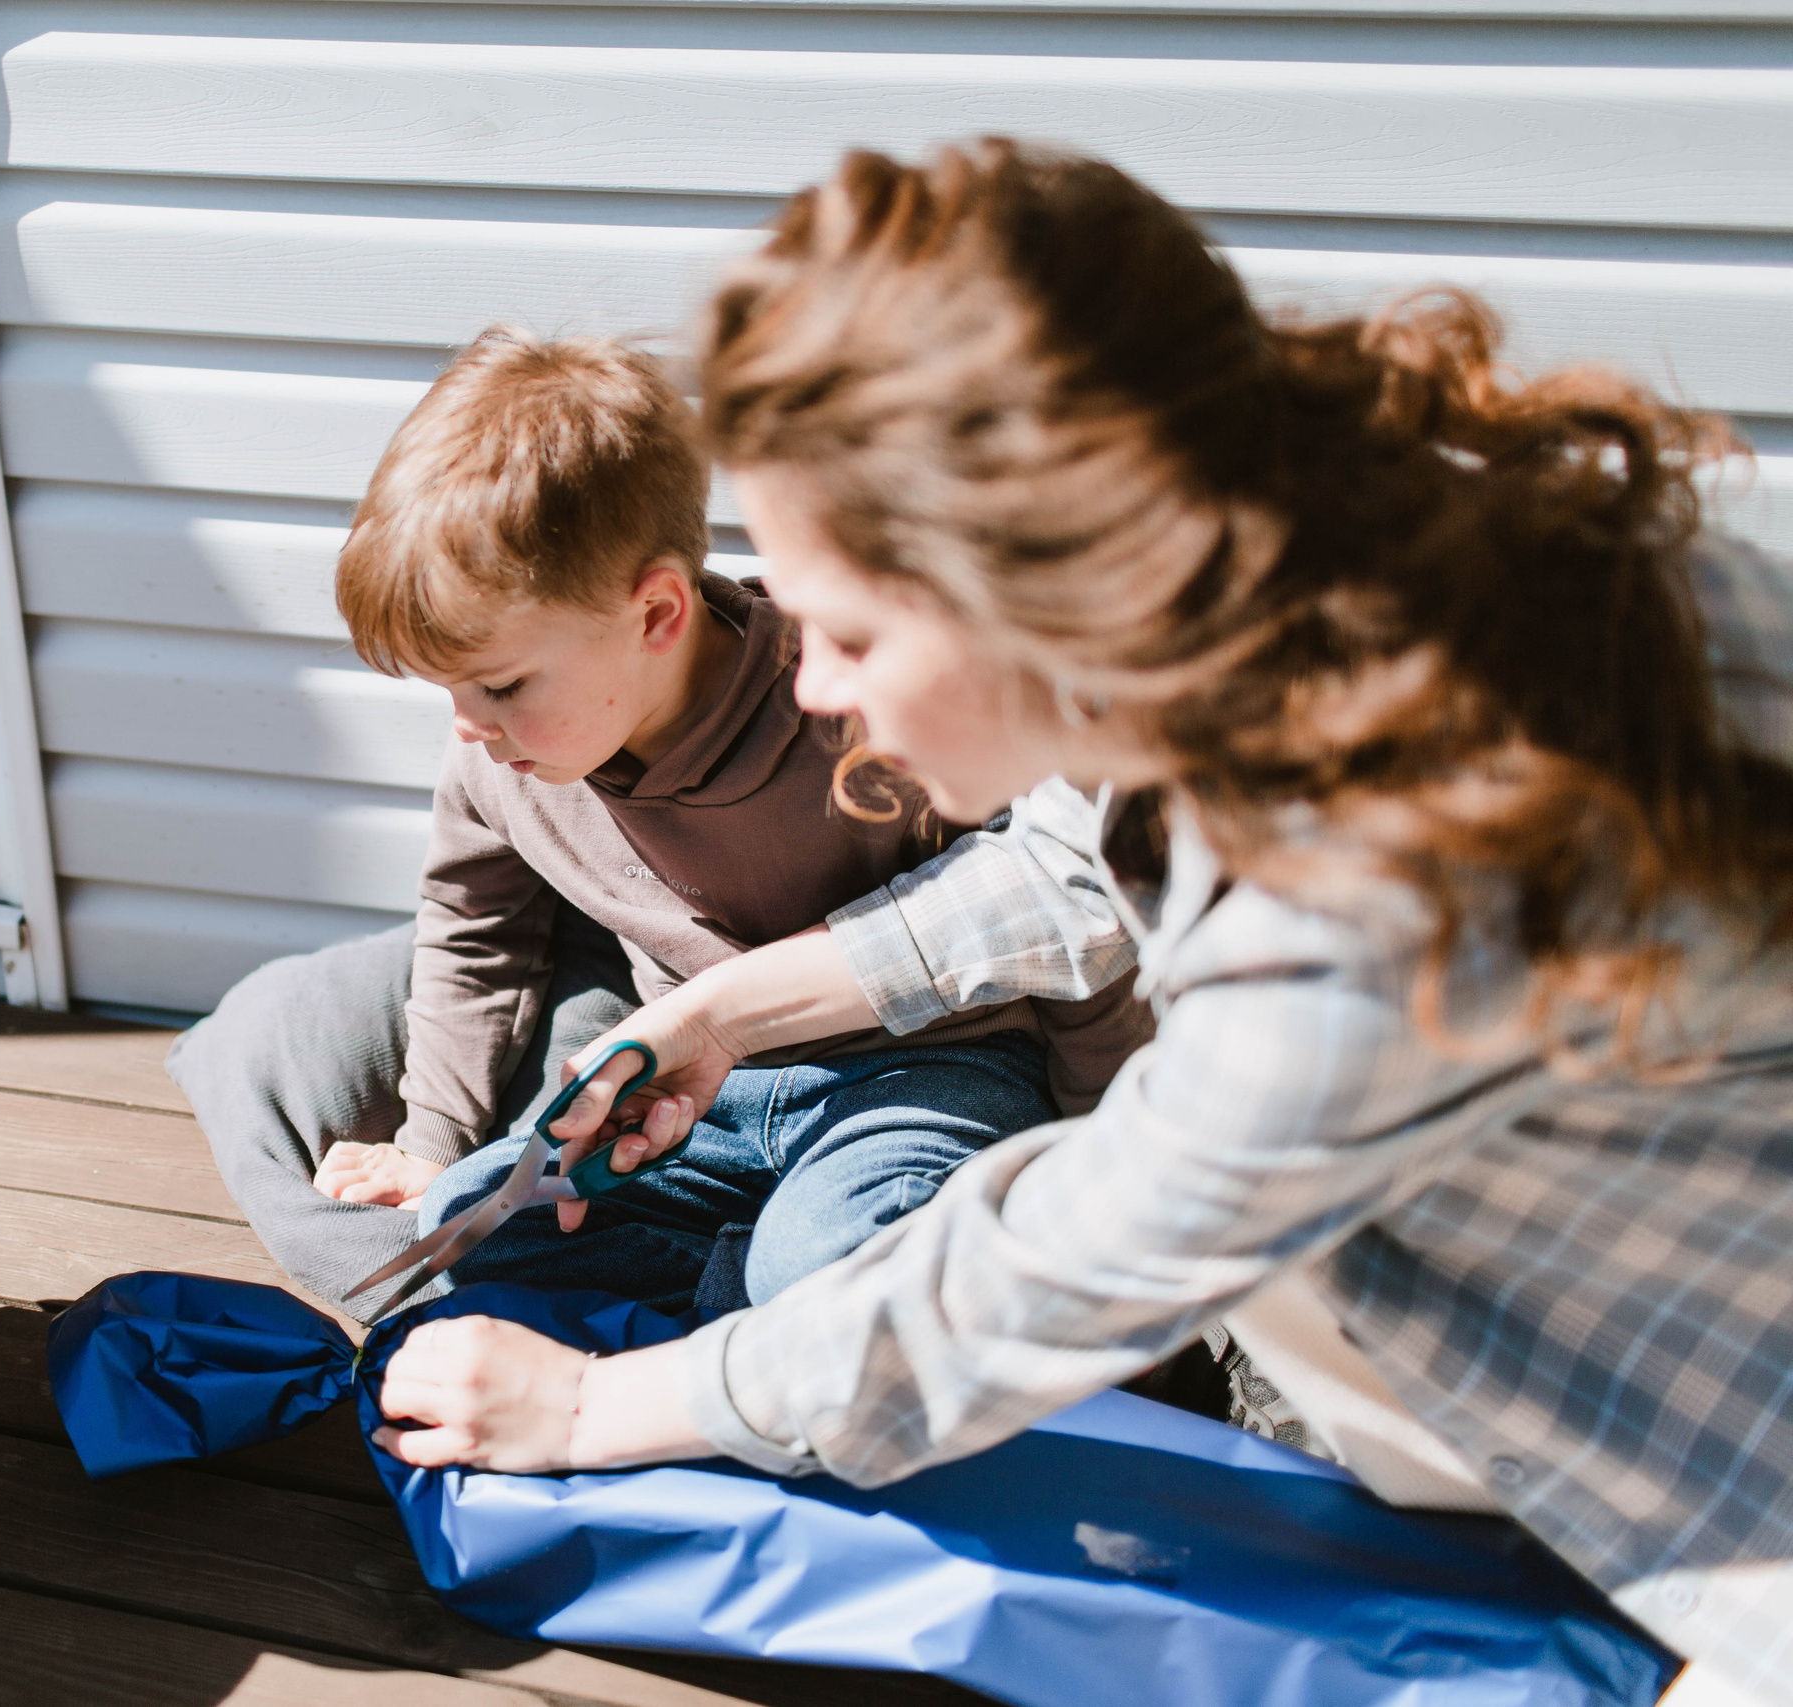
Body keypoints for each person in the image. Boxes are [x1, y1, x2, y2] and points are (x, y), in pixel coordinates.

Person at [368, 142, 1793, 1702]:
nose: (817, 678)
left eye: (848, 626)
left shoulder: (1382, 880)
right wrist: (714, 1014)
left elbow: (1035, 1274)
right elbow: (1061, 864)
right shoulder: (1347, 574)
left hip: (1720, 1503)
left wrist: (594, 1410)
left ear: (1029, 586)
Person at [169, 327, 1148, 1319]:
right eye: (449, 692)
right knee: (467, 1218)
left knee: (821, 1262)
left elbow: (1052, 919)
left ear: (655, 616)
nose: (467, 727)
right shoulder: (502, 756)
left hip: (920, 1080)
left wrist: (1104, 1157)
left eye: (501, 684)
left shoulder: (857, 701)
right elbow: (472, 934)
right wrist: (429, 1147)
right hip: (690, 1106)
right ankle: (759, 1306)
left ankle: (757, 1322)